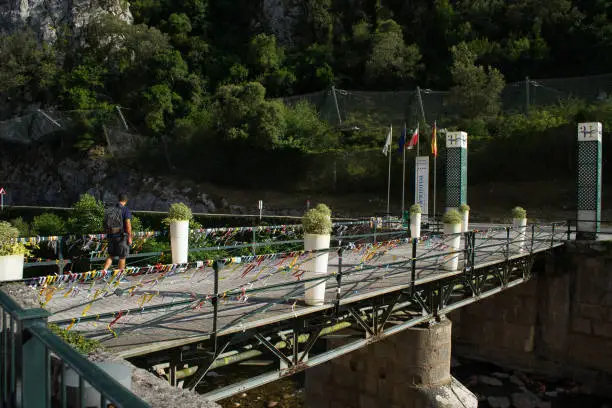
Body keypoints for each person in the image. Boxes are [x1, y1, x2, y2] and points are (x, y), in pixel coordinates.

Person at [103, 193, 132, 270]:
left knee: (111, 256)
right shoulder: (125, 209)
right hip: (121, 236)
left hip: (111, 235)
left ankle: (103, 273)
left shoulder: (111, 209)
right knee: (122, 256)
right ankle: (119, 277)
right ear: (126, 201)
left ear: (119, 199)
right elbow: (128, 225)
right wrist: (129, 237)